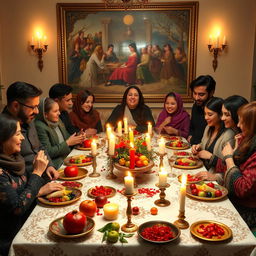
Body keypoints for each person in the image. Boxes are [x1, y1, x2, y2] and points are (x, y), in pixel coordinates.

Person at [0, 114, 64, 256]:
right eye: (17, 134)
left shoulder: (15, 158)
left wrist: (40, 189)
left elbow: (24, 190)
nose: (22, 138)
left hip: (26, 220)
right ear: (2, 138)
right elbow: (17, 208)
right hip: (12, 237)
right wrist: (37, 172)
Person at [2, 81, 59, 181]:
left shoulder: (28, 117)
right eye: (33, 107)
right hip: (28, 186)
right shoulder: (3, 127)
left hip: (44, 177)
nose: (37, 111)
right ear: (16, 106)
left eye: (37, 106)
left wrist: (49, 165)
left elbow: (39, 146)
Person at [222, 102, 256, 230]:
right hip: (233, 201)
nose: (238, 125)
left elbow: (242, 189)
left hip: (246, 211)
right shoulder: (247, 141)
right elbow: (228, 173)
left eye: (243, 122)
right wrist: (237, 150)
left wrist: (229, 158)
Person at [192, 97, 235, 184]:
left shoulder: (229, 135)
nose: (206, 117)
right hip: (202, 170)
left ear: (220, 115)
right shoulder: (208, 127)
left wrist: (210, 157)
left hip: (215, 179)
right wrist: (198, 147)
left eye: (210, 114)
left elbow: (228, 167)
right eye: (205, 114)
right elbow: (204, 144)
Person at [35, 98, 84, 169]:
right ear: (45, 114)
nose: (59, 113)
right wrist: (67, 143)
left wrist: (78, 137)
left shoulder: (57, 120)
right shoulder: (40, 126)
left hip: (67, 157)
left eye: (58, 110)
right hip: (56, 164)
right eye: (55, 111)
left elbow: (67, 138)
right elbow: (48, 152)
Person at [188, 75, 216, 145]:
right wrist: (190, 135)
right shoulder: (196, 105)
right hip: (193, 147)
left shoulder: (217, 108)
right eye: (194, 93)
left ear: (211, 93)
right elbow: (192, 126)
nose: (196, 98)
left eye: (201, 94)